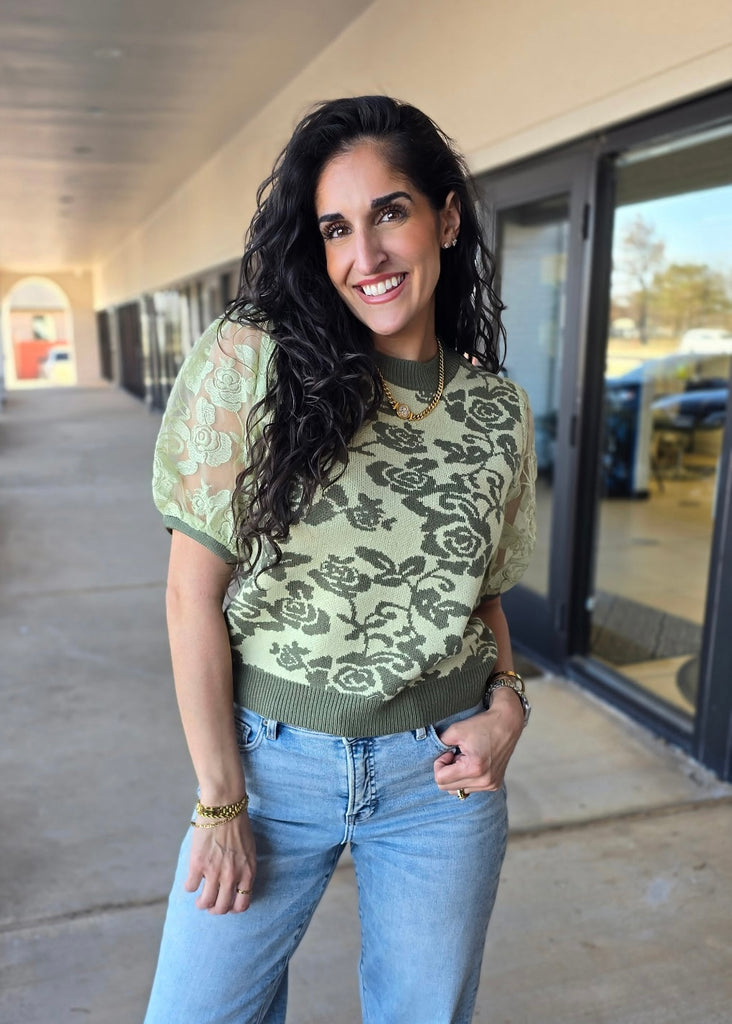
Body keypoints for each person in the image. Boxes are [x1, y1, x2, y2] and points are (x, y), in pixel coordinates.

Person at [145, 95, 536, 1024]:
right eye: (336, 229)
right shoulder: (253, 363)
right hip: (269, 773)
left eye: (390, 213)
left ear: (446, 218)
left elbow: (481, 599)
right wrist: (220, 801)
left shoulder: (496, 412)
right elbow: (191, 596)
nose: (367, 254)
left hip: (438, 781)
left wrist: (510, 705)